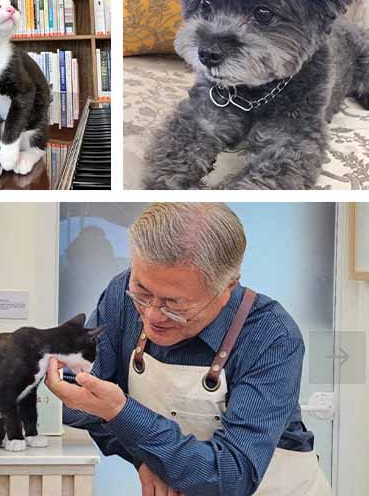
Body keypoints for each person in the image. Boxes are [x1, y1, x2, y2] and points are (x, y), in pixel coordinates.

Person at [44, 203, 331, 496]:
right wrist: (143, 458)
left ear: (227, 287)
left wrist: (120, 411)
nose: (153, 315)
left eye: (175, 304)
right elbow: (84, 401)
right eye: (142, 292)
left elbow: (231, 477)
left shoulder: (271, 336)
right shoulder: (122, 296)